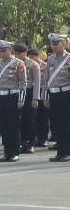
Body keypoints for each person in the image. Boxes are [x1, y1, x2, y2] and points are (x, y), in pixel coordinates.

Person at [0, 41, 27, 162]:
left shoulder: (18, 63)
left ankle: (14, 152)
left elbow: (23, 83)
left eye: (3, 51)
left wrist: (21, 99)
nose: (1, 53)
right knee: (3, 126)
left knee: (13, 125)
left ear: (9, 50)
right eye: (0, 51)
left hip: (13, 96)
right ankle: (7, 152)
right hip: (1, 97)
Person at [44, 33, 70, 162]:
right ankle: (60, 152)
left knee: (66, 124)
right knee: (56, 125)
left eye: (56, 44)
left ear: (63, 44)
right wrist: (46, 96)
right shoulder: (50, 59)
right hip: (53, 94)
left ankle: (67, 152)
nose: (54, 47)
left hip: (65, 94)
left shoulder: (68, 58)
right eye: (52, 44)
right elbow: (46, 79)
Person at [20, 47, 41, 154]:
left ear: (25, 53)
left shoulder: (33, 64)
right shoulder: (14, 63)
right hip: (19, 93)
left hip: (29, 92)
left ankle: (31, 143)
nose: (17, 55)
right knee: (21, 119)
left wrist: (35, 98)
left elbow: (37, 82)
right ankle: (23, 142)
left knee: (30, 119)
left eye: (19, 53)